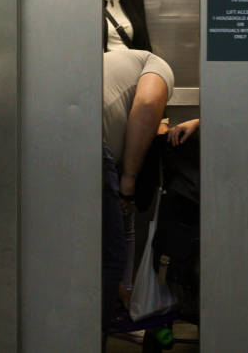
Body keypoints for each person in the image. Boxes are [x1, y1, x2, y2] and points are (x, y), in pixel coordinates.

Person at [102, 49, 174, 333]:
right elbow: (146, 103)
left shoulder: (111, 64)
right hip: (91, 145)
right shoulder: (156, 63)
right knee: (109, 259)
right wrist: (129, 181)